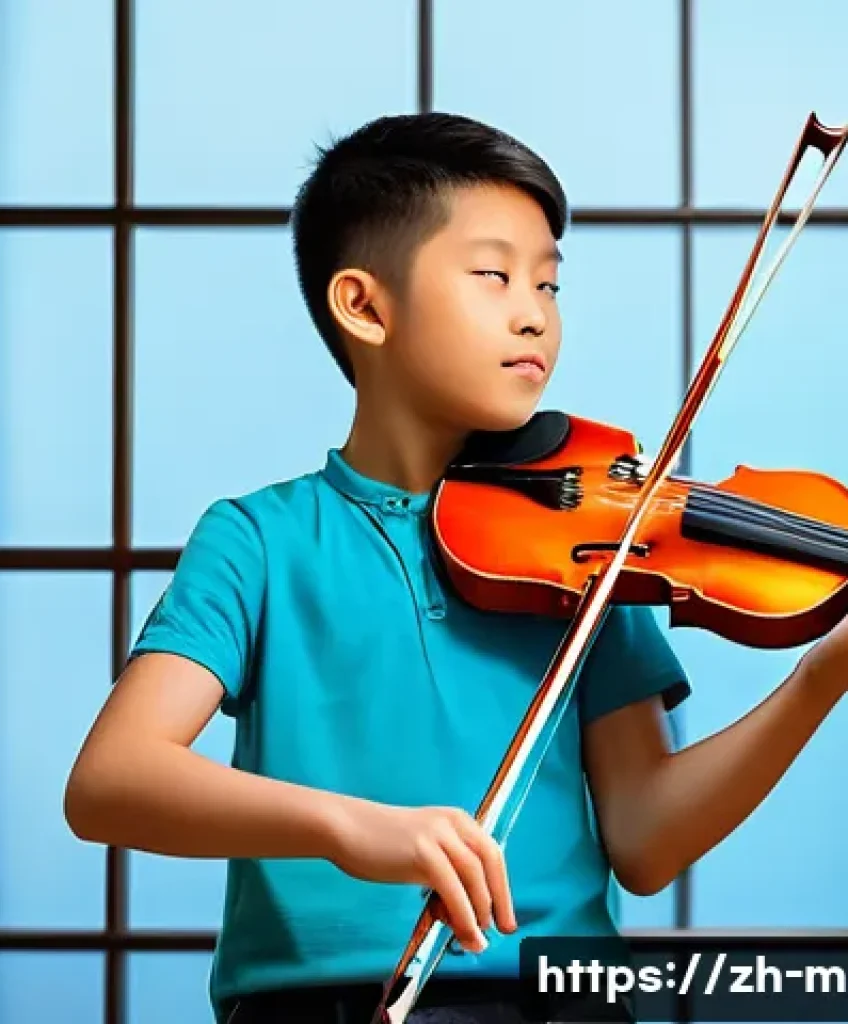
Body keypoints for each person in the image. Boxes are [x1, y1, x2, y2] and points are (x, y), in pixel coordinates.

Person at [64, 112, 848, 1024]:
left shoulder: (605, 546)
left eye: (549, 284)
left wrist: (818, 680)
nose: (535, 313)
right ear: (364, 305)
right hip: (315, 1006)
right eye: (494, 275)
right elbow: (113, 780)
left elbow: (644, 837)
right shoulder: (260, 540)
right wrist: (351, 828)